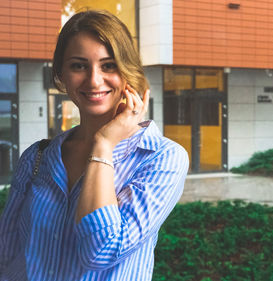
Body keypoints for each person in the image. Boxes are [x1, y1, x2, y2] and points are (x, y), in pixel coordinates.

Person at [0, 10, 189, 280]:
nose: (94, 80)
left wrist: (103, 145)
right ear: (62, 75)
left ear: (128, 71)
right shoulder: (37, 157)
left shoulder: (162, 158)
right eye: (79, 65)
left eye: (109, 65)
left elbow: (100, 252)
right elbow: (6, 250)